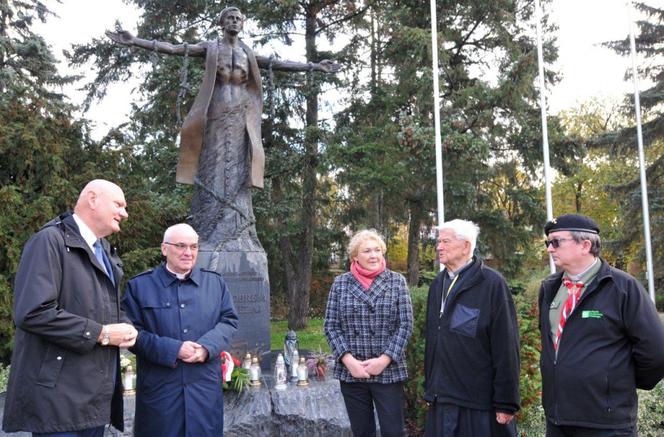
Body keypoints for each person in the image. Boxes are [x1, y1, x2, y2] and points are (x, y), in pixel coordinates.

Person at [106, 7, 338, 250]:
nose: (235, 22)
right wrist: (136, 41)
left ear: (242, 24)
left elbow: (279, 64)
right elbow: (176, 48)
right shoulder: (212, 47)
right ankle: (210, 224)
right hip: (216, 111)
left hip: (241, 115)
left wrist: (315, 67)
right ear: (222, 22)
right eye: (230, 18)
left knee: (239, 164)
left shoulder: (248, 53)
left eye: (239, 19)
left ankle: (238, 225)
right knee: (214, 162)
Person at [2, 179, 138, 436]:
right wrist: (103, 333)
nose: (124, 213)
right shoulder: (49, 241)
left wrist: (126, 326)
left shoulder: (105, 252)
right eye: (119, 205)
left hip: (92, 400)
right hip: (58, 403)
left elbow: (106, 307)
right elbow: (33, 312)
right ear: (93, 199)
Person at [539, 214, 664, 436]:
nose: (550, 249)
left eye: (556, 242)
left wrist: (615, 384)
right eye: (548, 242)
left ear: (585, 245)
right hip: (558, 420)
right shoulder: (549, 288)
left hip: (606, 424)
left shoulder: (623, 287)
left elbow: (656, 351)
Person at [122, 223, 239, 437]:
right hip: (161, 396)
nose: (188, 253)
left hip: (204, 394)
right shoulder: (139, 286)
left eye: (194, 247)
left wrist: (206, 347)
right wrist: (174, 349)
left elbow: (229, 321)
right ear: (164, 249)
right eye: (181, 246)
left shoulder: (215, 283)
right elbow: (131, 334)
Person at [423, 219, 520, 437]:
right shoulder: (438, 284)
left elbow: (506, 346)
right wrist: (431, 389)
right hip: (442, 399)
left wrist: (506, 402)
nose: (439, 247)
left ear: (466, 246)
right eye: (438, 242)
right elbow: (433, 340)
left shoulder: (492, 284)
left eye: (445, 242)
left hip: (477, 406)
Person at [324, 229, 413, 437]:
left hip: (388, 371)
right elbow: (331, 325)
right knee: (362, 432)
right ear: (355, 256)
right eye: (367, 251)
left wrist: (384, 360)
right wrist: (349, 361)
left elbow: (405, 324)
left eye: (377, 250)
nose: (373, 255)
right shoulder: (341, 283)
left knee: (393, 432)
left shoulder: (397, 281)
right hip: (353, 373)